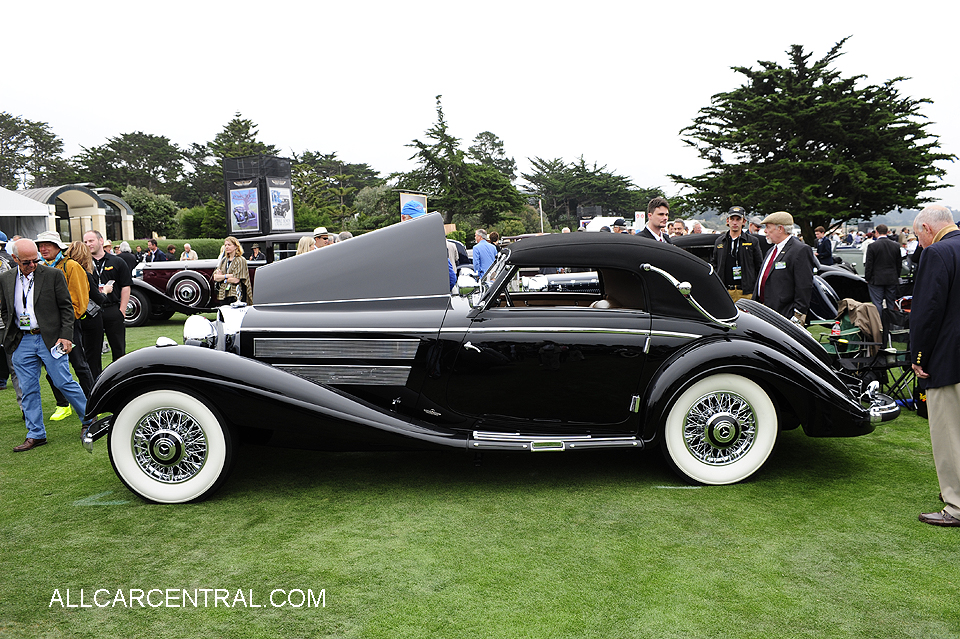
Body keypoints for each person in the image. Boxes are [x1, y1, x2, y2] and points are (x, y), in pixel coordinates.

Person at [1, 239, 91, 451]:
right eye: (26, 262)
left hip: (51, 339)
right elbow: (5, 309)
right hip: (22, 340)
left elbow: (67, 308)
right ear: (15, 259)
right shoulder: (5, 278)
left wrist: (66, 336)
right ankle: (36, 434)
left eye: (36, 260)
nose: (32, 265)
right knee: (27, 389)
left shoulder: (53, 275)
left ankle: (89, 419)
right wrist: (11, 335)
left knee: (63, 382)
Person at [910, 204, 960, 527]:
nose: (919, 245)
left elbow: (927, 313)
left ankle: (956, 505)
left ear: (927, 229)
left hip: (947, 358)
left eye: (918, 238)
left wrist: (918, 357)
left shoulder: (937, 253)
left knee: (948, 434)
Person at [36, 231, 96, 420]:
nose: (43, 248)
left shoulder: (71, 266)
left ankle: (94, 402)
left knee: (79, 365)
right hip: (47, 328)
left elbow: (79, 299)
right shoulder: (39, 267)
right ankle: (62, 404)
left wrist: (68, 321)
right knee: (50, 369)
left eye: (48, 244)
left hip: (69, 324)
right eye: (40, 245)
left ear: (58, 247)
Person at [754, 211, 817, 324]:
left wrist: (798, 315)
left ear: (780, 229)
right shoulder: (771, 250)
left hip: (784, 314)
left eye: (768, 227)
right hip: (764, 311)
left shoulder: (799, 250)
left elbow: (804, 285)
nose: (765, 231)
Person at [83, 230, 131, 365]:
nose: (88, 244)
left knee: (118, 350)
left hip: (112, 309)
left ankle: (119, 382)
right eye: (85, 242)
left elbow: (126, 286)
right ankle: (95, 383)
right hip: (91, 312)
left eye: (91, 241)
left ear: (101, 241)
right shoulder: (82, 264)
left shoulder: (117, 261)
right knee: (92, 352)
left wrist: (121, 310)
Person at [64, 241, 106, 381]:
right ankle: (94, 386)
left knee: (79, 358)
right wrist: (105, 292)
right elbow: (98, 298)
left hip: (74, 318)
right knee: (92, 358)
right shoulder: (84, 273)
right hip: (90, 317)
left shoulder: (64, 271)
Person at [400, 201, 456, 289]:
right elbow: (451, 278)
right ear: (403, 218)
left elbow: (451, 277)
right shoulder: (430, 241)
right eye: (415, 219)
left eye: (422, 219)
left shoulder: (396, 243)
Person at [711, 206, 762, 302]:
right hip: (725, 291)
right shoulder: (720, 241)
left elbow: (759, 266)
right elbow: (715, 264)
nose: (735, 222)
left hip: (746, 292)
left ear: (744, 221)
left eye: (738, 219)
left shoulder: (752, 241)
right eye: (732, 219)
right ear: (727, 221)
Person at [864, 223, 902, 339]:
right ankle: (890, 326)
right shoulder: (895, 246)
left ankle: (879, 326)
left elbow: (869, 265)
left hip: (876, 279)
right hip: (891, 278)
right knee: (890, 303)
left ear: (876, 232)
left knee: (877, 304)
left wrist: (867, 278)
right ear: (887, 232)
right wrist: (896, 276)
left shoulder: (873, 246)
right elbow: (898, 264)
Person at [213, 236, 252, 304]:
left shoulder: (240, 260)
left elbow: (236, 280)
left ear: (236, 246)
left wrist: (222, 277)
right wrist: (228, 276)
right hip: (223, 294)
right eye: (225, 245)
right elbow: (215, 277)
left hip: (236, 294)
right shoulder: (224, 260)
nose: (227, 247)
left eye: (229, 245)